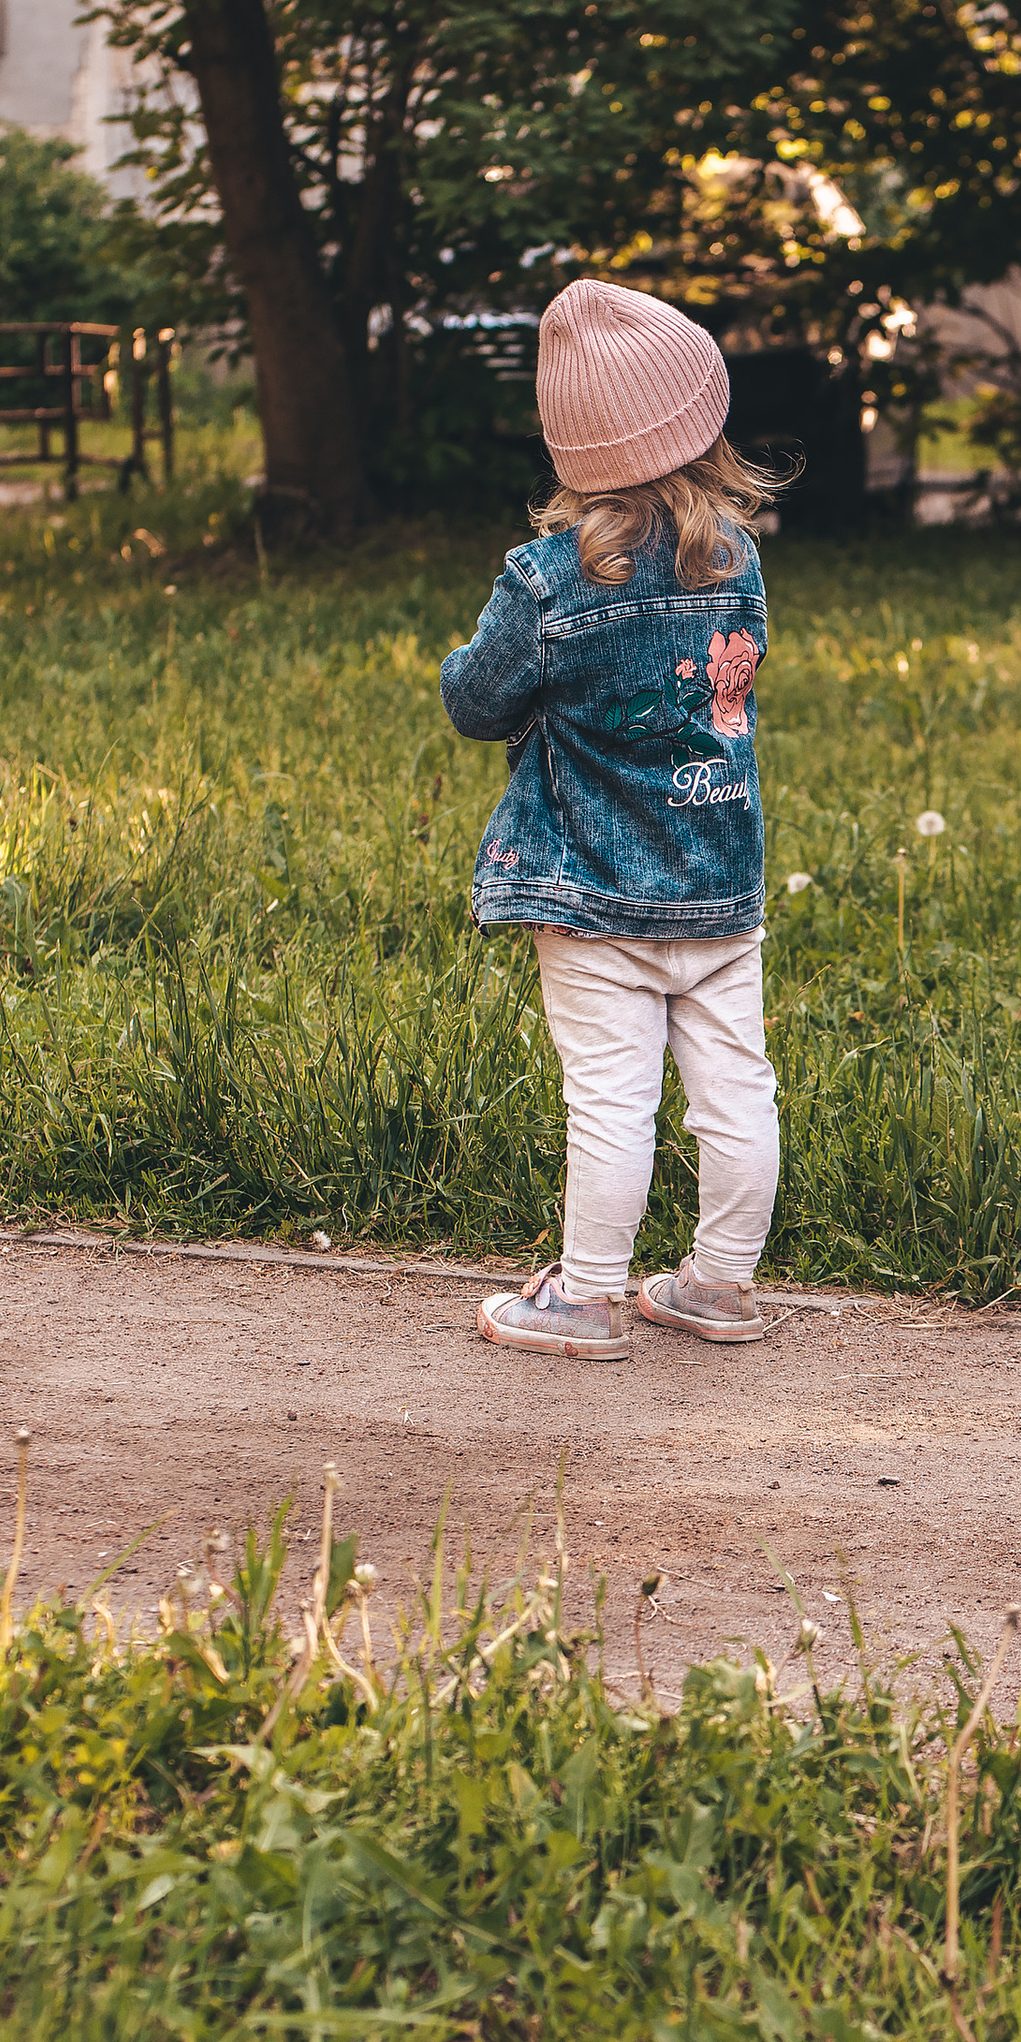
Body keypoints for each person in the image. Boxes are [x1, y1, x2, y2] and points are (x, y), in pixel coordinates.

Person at [440, 278, 784, 1360]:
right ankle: (719, 1286)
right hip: (717, 873)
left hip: (591, 886)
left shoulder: (545, 579)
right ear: (700, 421)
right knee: (736, 1088)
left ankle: (586, 1295)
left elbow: (477, 700)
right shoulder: (735, 557)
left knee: (610, 1099)